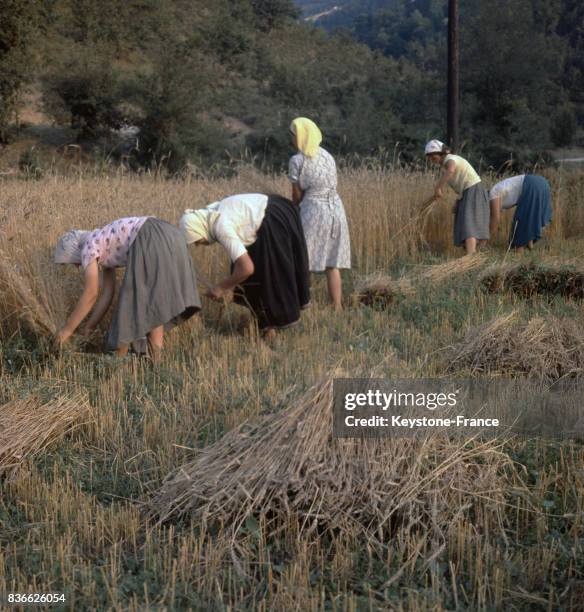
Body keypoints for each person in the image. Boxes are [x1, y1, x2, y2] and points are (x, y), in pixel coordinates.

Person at [54, 217, 201, 360]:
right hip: (171, 234)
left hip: (149, 235)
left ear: (74, 249)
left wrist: (66, 331)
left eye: (70, 260)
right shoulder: (101, 240)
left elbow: (91, 293)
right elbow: (107, 294)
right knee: (153, 303)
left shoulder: (87, 247)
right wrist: (89, 328)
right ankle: (157, 362)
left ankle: (118, 366)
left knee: (128, 313)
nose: (76, 266)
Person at [180, 193, 310, 340]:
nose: (198, 245)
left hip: (272, 219)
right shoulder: (210, 213)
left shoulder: (220, 226)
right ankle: (266, 328)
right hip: (274, 208)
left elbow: (246, 268)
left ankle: (271, 331)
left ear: (199, 228)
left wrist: (221, 288)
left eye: (196, 239)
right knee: (250, 277)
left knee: (269, 277)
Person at [288, 117, 351, 310]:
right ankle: (337, 305)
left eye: (292, 135)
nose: (291, 139)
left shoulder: (297, 160)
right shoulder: (328, 156)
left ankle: (303, 304)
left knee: (303, 257)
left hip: (313, 210)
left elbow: (297, 193)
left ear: (300, 136)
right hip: (336, 210)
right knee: (332, 262)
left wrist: (292, 208)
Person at [425, 139, 490, 255]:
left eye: (433, 156)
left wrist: (438, 188)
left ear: (441, 153)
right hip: (468, 191)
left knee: (468, 223)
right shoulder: (446, 163)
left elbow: (451, 170)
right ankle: (477, 255)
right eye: (429, 157)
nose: (431, 159)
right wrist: (459, 200)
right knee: (466, 222)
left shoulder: (450, 159)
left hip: (473, 189)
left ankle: (471, 257)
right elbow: (461, 183)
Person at [489, 174, 552, 249]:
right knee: (530, 217)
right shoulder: (497, 192)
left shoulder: (492, 194)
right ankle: (529, 245)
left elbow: (495, 219)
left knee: (520, 220)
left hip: (531, 184)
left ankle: (519, 249)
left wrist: (487, 240)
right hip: (543, 183)